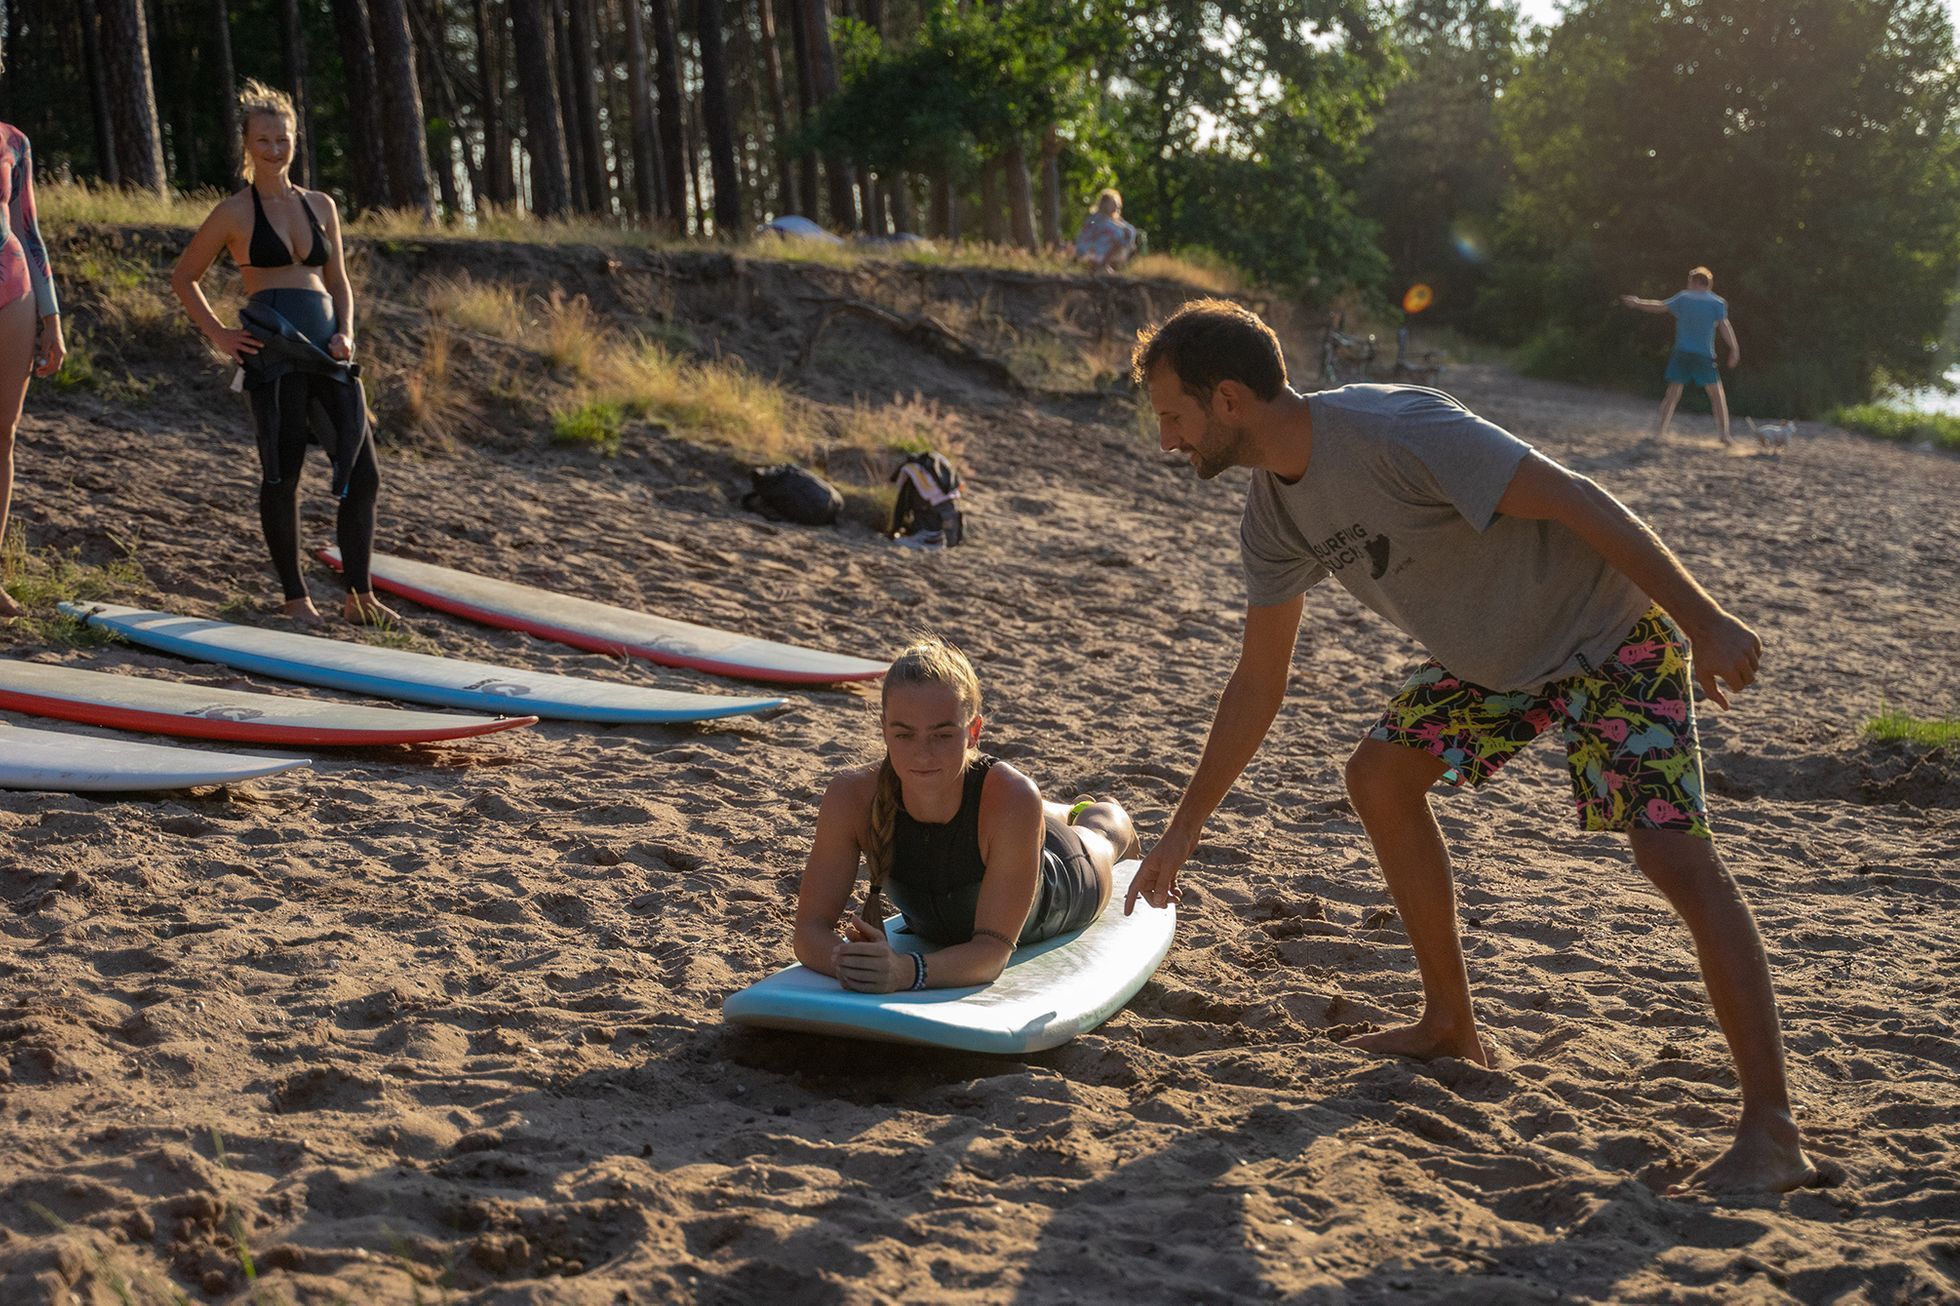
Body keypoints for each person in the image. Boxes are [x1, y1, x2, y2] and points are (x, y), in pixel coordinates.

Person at [1125, 298, 1817, 1196]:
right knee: (1380, 775)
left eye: (1173, 416)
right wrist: (1183, 830)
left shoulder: (1395, 429)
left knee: (1672, 859)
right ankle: (1450, 1024)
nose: (1168, 440)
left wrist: (1705, 619)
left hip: (1607, 635)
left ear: (1227, 400)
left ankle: (1773, 1129)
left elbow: (1576, 497)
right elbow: (1259, 682)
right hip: (1494, 666)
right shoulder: (1272, 513)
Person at [170, 81, 398, 628]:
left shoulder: (321, 204)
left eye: (283, 139)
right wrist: (221, 335)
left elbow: (339, 282)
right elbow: (184, 277)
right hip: (273, 352)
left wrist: (347, 332)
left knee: (363, 471)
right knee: (282, 473)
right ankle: (296, 598)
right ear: (246, 145)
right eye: (263, 140)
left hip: (327, 349)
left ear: (295, 140)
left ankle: (359, 595)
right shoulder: (233, 212)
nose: (274, 149)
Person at [793, 636, 1139, 993]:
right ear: (884, 729)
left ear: (973, 732)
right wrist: (851, 963)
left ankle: (1098, 813)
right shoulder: (851, 796)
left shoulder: (1013, 797)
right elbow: (808, 932)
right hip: (1008, 829)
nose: (922, 753)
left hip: (1062, 879)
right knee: (1013, 803)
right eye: (904, 734)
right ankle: (1054, 813)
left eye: (942, 734)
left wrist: (903, 971)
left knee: (1100, 833)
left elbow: (991, 955)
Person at [0, 117, 66, 619]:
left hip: (12, 287)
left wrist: (52, 318)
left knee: (3, 434)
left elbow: (29, 230)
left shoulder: (13, 141)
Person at [1621, 267, 1739, 444]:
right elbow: (1725, 327)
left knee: (1673, 393)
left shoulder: (1684, 298)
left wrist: (1637, 303)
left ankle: (1659, 433)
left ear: (1695, 282)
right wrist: (1734, 349)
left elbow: (1660, 306)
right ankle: (1724, 435)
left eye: (1690, 281)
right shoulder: (1717, 302)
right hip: (1703, 355)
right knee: (1717, 395)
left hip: (1683, 352)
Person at [1074, 189, 1139, 273]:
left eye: (1117, 204)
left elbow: (1130, 230)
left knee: (1129, 245)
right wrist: (1124, 233)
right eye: (1113, 203)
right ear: (1104, 204)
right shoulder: (1096, 219)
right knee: (1118, 240)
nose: (1116, 206)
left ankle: (1108, 265)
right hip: (1089, 249)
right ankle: (1103, 265)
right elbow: (1115, 232)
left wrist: (1125, 232)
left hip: (1099, 248)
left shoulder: (1115, 220)